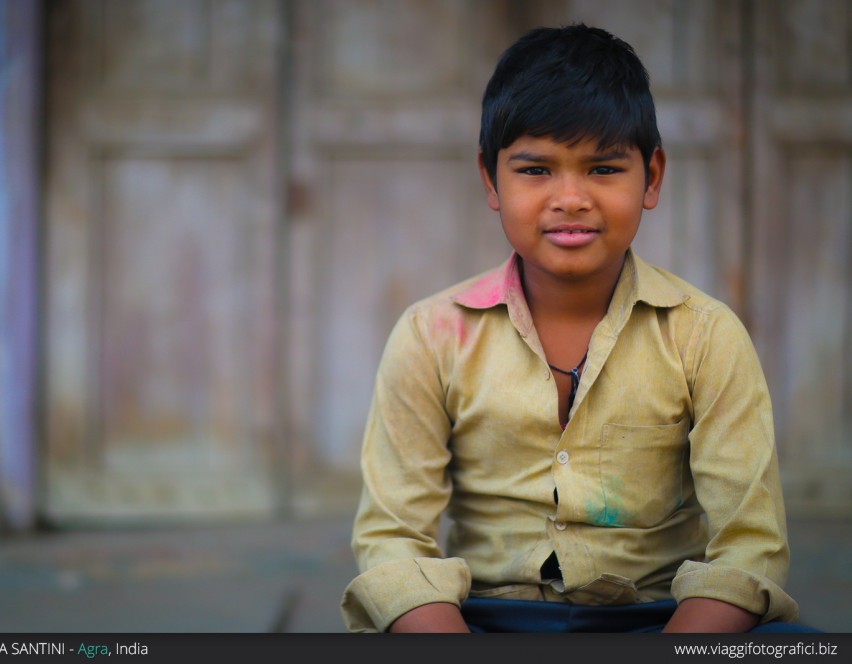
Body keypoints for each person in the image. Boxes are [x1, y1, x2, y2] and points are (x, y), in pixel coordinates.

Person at [340, 24, 816, 634]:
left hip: (660, 619)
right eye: (536, 170)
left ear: (653, 177)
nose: (570, 198)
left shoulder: (705, 335)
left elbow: (749, 548)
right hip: (480, 619)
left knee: (795, 648)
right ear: (491, 179)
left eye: (603, 168)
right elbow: (392, 538)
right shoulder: (432, 334)